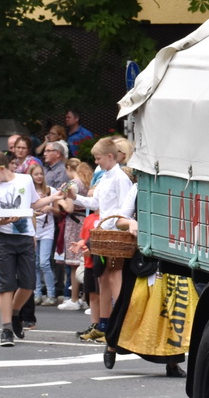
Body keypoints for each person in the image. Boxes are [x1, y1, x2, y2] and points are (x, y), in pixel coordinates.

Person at [72, 137, 136, 341]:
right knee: (103, 278)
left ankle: (119, 324)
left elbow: (125, 210)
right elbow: (96, 202)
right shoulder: (106, 176)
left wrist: (107, 225)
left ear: (110, 156)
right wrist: (74, 197)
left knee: (114, 276)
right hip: (103, 231)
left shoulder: (120, 178)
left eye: (98, 158)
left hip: (114, 233)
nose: (96, 162)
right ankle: (106, 324)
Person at [0, 151, 37, 345]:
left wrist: (55, 199)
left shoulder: (25, 180)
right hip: (3, 238)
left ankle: (15, 313)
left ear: (1, 169)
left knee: (28, 284)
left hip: (25, 237)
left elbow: (34, 204)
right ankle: (6, 329)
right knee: (7, 285)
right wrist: (2, 220)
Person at [57, 159, 90, 311]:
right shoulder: (86, 182)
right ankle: (84, 298)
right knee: (84, 260)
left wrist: (61, 202)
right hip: (84, 220)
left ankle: (74, 298)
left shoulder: (72, 184)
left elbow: (69, 208)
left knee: (73, 262)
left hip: (73, 222)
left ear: (69, 168)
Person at [29, 161, 58, 306]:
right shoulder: (28, 191)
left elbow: (59, 211)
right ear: (31, 176)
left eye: (41, 174)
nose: (39, 177)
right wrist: (32, 211)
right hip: (33, 229)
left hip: (47, 229)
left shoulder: (50, 191)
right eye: (36, 174)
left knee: (44, 262)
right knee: (34, 263)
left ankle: (51, 295)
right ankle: (37, 294)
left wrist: (50, 208)